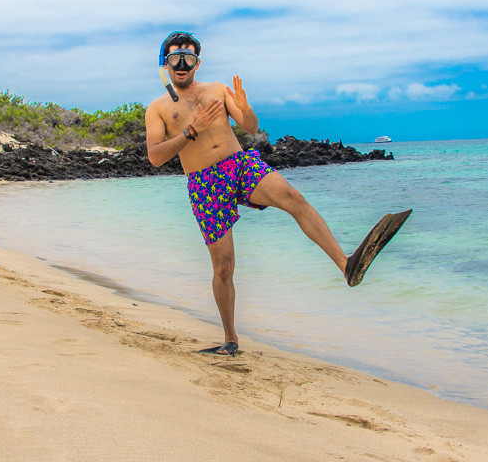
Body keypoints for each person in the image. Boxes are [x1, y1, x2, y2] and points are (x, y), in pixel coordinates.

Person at [144, 31, 411, 357]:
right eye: (174, 59)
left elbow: (251, 127)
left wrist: (245, 107)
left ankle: (346, 265)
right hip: (203, 182)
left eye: (187, 58)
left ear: (198, 62)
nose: (182, 65)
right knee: (224, 267)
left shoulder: (217, 90)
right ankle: (230, 340)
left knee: (293, 197)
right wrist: (191, 129)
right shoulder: (157, 108)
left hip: (238, 164)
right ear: (165, 64)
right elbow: (156, 156)